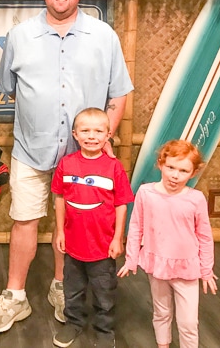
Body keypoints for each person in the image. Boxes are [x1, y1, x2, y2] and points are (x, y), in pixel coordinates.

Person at [0, 0, 134, 333]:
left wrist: (104, 138)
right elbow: (9, 85)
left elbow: (119, 93)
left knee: (73, 220)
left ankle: (62, 288)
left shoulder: (104, 36)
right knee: (25, 219)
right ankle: (15, 297)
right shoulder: (21, 36)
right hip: (31, 148)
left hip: (84, 158)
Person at [117, 140, 218, 348]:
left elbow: (205, 236)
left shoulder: (196, 199)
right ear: (161, 163)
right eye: (171, 167)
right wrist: (131, 259)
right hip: (157, 264)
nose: (175, 175)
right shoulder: (146, 193)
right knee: (161, 311)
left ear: (193, 173)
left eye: (183, 170)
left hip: (187, 267)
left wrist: (206, 270)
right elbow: (136, 227)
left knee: (189, 321)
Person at [50, 108, 134, 347]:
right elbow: (59, 199)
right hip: (73, 245)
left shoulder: (114, 168)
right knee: (72, 289)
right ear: (75, 134)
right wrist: (60, 231)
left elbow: (121, 204)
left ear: (108, 135)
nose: (91, 136)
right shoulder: (66, 164)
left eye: (98, 131)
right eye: (85, 130)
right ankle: (73, 323)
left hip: (103, 246)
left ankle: (104, 329)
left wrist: (118, 238)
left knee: (104, 291)